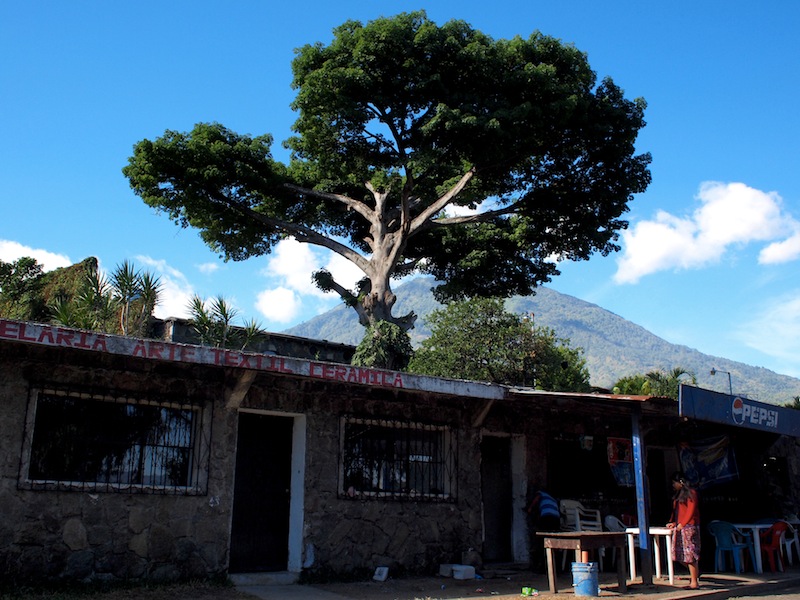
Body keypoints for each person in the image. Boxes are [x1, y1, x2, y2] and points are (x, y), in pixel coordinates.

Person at [666, 472, 700, 589]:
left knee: (690, 554)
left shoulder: (691, 493)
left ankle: (694, 582)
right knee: (679, 554)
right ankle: (694, 574)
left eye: (674, 483)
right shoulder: (678, 496)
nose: (673, 485)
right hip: (681, 527)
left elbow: (690, 511)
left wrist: (683, 524)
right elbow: (679, 513)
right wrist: (675, 523)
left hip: (689, 527)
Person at [527, 488, 561, 573]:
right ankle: (555, 567)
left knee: (542, 541)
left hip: (547, 517)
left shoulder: (540, 493)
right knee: (553, 541)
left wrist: (530, 508)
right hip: (556, 519)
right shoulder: (552, 499)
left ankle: (543, 567)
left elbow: (536, 500)